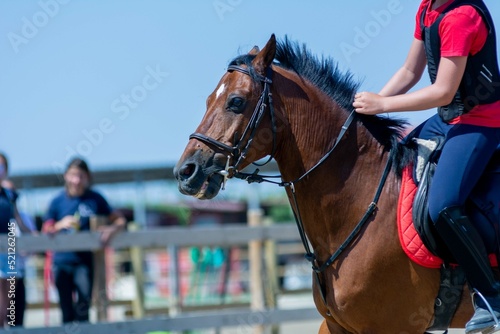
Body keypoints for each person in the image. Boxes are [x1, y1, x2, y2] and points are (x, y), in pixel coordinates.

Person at [352, 0, 500, 333]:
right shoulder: (428, 8)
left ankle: (491, 297)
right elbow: (409, 71)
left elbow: (444, 91)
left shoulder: (462, 16)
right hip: (448, 120)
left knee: (444, 206)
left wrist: (384, 104)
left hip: (480, 122)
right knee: (392, 165)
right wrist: (369, 109)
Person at [43, 157, 126, 324]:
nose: (77, 180)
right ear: (66, 176)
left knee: (83, 308)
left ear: (87, 177)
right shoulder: (57, 201)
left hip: (84, 262)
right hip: (61, 262)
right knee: (66, 311)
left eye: (81, 176)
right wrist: (60, 224)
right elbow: (46, 228)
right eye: (73, 175)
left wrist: (111, 229)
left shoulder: (95, 199)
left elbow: (120, 220)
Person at [0, 153, 33, 328]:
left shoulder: (10, 196)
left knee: (9, 305)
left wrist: (35, 236)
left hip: (9, 250)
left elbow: (18, 219)